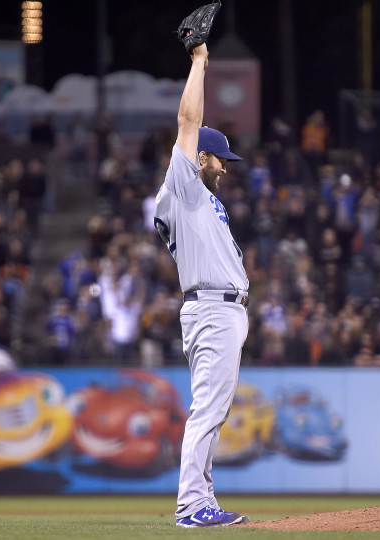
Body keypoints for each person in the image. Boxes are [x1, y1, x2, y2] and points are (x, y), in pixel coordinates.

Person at [153, 39, 249, 528]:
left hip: (218, 309)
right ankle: (191, 506)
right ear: (201, 158)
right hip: (212, 308)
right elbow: (188, 124)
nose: (224, 168)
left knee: (212, 409)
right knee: (207, 409)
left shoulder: (196, 199)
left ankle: (201, 497)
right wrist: (199, 63)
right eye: (220, 160)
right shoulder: (185, 187)